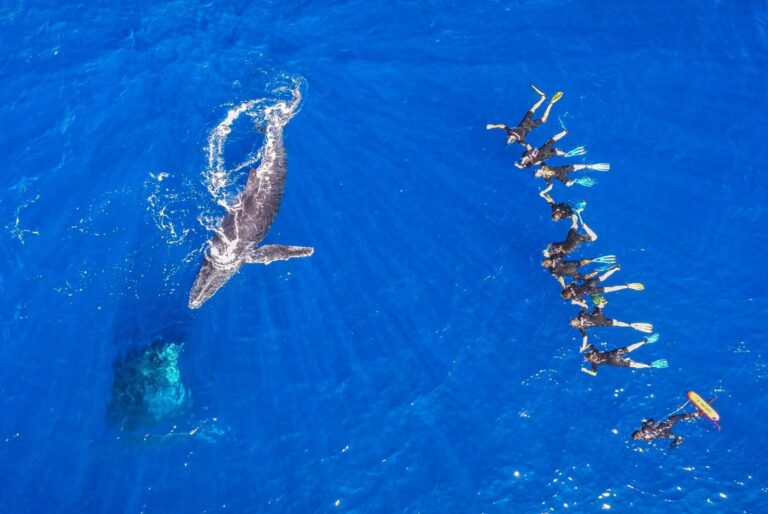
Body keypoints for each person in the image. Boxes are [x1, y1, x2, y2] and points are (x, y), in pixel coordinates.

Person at [486, 85, 563, 146]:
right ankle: (544, 99)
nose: (508, 137)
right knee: (535, 110)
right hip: (527, 122)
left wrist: (493, 126)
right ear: (510, 139)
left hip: (529, 124)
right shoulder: (513, 134)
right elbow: (503, 126)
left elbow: (527, 145)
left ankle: (549, 103)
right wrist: (493, 126)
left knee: (542, 118)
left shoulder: (518, 139)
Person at [631, 399, 715, 447]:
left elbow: (653, 438)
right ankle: (697, 414)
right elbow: (652, 421)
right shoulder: (644, 427)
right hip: (666, 424)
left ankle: (677, 440)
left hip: (664, 434)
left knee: (675, 437)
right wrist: (645, 422)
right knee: (679, 416)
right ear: (638, 431)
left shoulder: (646, 439)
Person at [579, 333, 667, 376]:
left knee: (633, 364)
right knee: (630, 348)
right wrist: (584, 347)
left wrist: (585, 370)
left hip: (614, 361)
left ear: (589, 360)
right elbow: (591, 345)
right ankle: (646, 341)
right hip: (614, 353)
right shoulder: (595, 351)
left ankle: (650, 365)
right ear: (590, 353)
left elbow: (594, 374)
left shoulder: (594, 364)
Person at [561, 264, 645, 308]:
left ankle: (626, 285)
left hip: (591, 290)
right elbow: (574, 282)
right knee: (605, 280)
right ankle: (616, 269)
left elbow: (584, 303)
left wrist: (577, 303)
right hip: (589, 285)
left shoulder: (574, 298)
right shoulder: (570, 289)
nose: (568, 296)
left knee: (609, 287)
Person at [515, 129, 585, 169]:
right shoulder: (530, 161)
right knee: (553, 146)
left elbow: (528, 147)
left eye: (522, 160)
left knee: (553, 141)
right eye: (524, 161)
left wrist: (519, 165)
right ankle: (564, 151)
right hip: (544, 153)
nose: (523, 159)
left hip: (544, 151)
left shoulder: (526, 156)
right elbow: (528, 146)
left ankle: (564, 133)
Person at [542, 254, 617, 288]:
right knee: (585, 277)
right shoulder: (553, 270)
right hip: (573, 273)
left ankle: (592, 261)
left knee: (582, 262)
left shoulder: (555, 257)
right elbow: (560, 278)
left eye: (545, 263)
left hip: (572, 265)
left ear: (548, 260)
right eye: (545, 265)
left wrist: (548, 252)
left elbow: (561, 253)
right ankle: (597, 271)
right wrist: (564, 285)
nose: (545, 265)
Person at [570, 305, 653, 335]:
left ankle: (630, 325)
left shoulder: (581, 328)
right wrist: (578, 303)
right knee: (599, 306)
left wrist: (584, 347)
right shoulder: (580, 315)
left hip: (601, 322)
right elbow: (585, 307)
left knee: (616, 323)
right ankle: (602, 304)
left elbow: (585, 337)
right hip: (597, 315)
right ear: (575, 319)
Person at [534, 162, 610, 187]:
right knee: (568, 185)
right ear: (539, 175)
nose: (537, 170)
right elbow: (550, 186)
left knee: (574, 167)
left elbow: (539, 161)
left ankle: (587, 166)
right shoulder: (546, 178)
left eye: (537, 171)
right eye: (537, 173)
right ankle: (575, 180)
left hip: (562, 169)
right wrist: (545, 191)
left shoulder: (543, 167)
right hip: (561, 177)